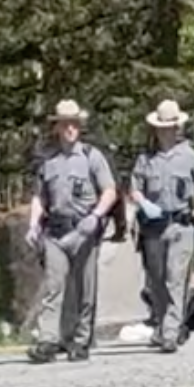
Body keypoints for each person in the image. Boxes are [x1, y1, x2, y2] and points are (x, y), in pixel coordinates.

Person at [25, 99, 118, 363]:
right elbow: (40, 198)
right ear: (57, 128)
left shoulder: (91, 156)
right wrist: (33, 224)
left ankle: (80, 339)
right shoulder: (48, 161)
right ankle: (48, 341)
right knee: (54, 287)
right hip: (55, 231)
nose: (70, 129)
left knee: (85, 288)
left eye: (74, 124)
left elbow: (109, 191)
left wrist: (96, 216)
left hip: (84, 229)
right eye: (65, 124)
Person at [127, 99, 194, 355]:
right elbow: (134, 190)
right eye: (162, 126)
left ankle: (170, 332)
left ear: (178, 127)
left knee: (176, 278)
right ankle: (164, 322)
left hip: (181, 226)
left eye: (171, 126)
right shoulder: (146, 160)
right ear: (156, 129)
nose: (167, 130)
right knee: (156, 280)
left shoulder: (190, 157)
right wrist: (143, 202)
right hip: (153, 229)